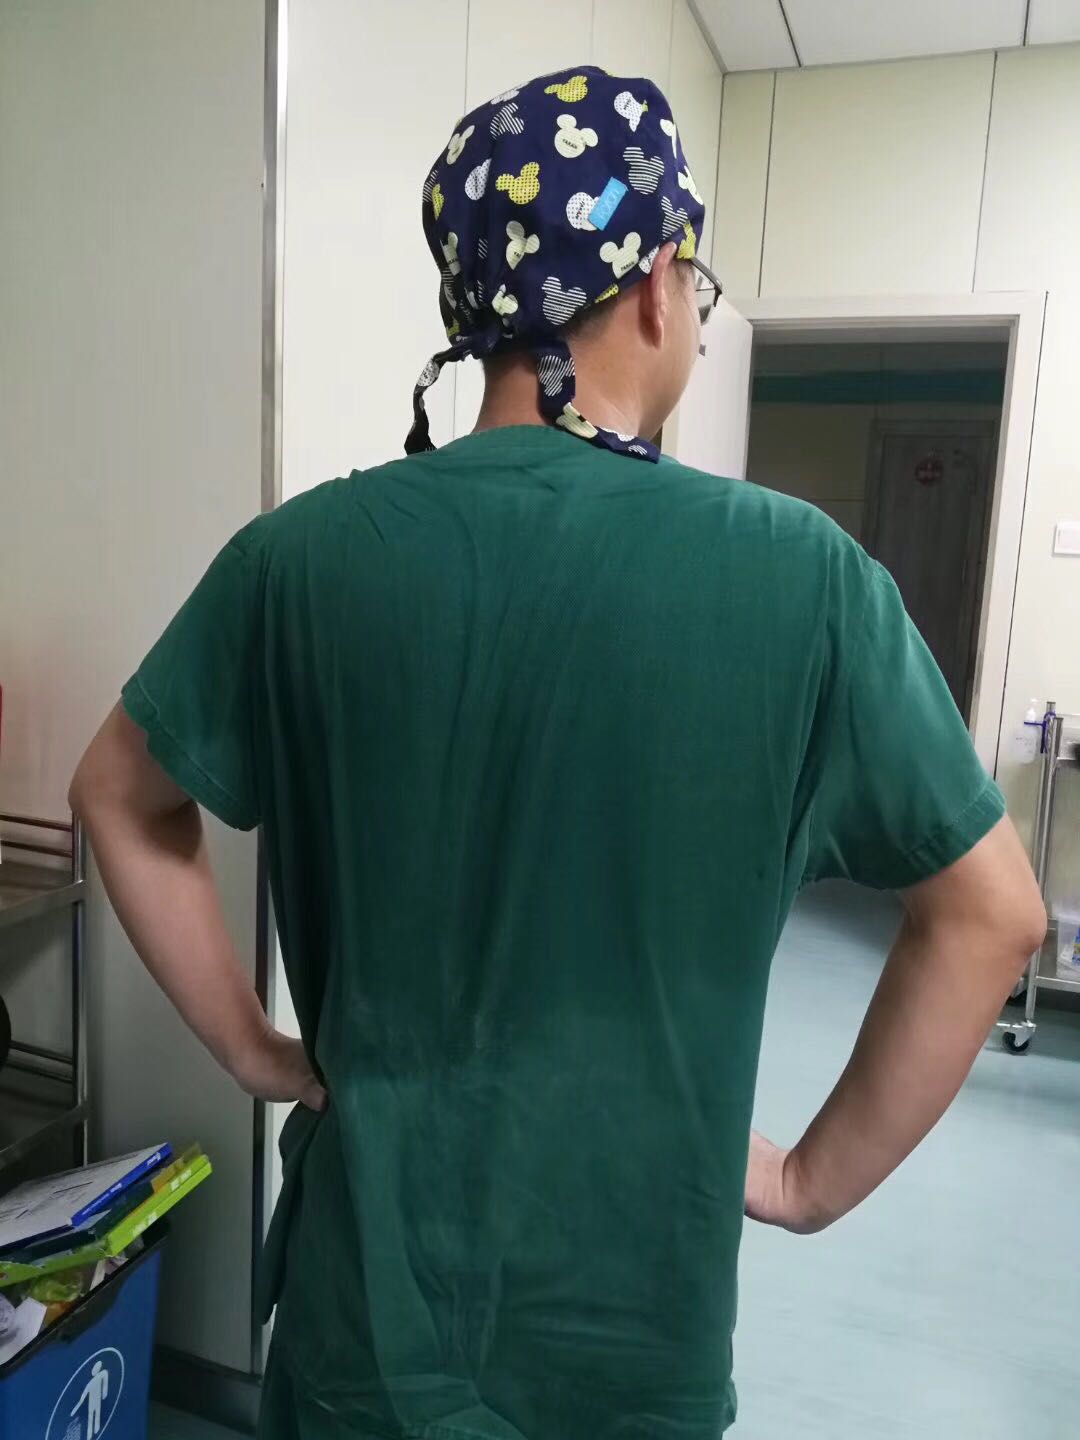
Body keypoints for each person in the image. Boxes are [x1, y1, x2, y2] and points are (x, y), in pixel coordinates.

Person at [70, 66, 1045, 1440]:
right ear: (655, 287)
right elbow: (994, 916)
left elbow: (116, 796)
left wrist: (254, 1046)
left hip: (369, 1332)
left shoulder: (301, 559)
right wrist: (809, 1182)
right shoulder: (805, 579)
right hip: (632, 1346)